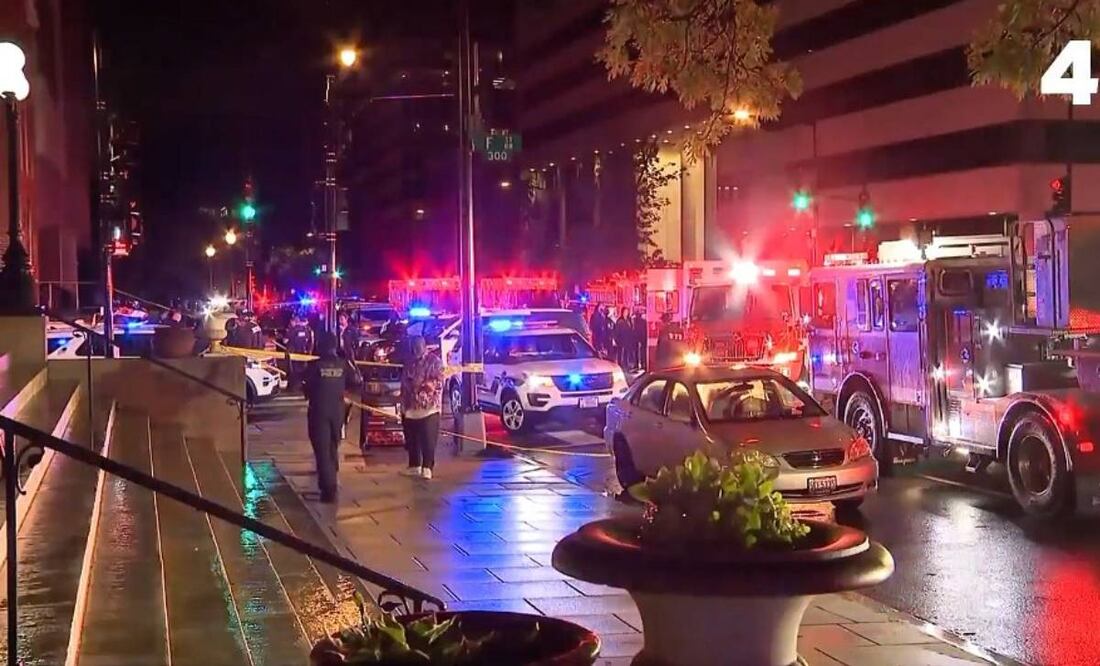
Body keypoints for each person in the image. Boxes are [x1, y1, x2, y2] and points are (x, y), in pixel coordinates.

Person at [303, 332, 361, 503]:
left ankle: (328, 490)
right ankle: (332, 480)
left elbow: (305, 386)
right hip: (337, 411)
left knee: (322, 451)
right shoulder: (343, 364)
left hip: (318, 411)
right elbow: (356, 381)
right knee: (332, 447)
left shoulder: (315, 365)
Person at [399, 335, 444, 480]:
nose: (416, 349)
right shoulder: (410, 362)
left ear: (424, 346)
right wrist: (403, 404)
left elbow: (439, 381)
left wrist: (425, 387)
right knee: (412, 439)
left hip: (428, 408)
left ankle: (427, 467)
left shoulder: (434, 361)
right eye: (414, 346)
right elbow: (405, 383)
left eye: (418, 346)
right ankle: (414, 465)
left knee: (428, 440)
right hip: (411, 407)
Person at [285, 313, 315, 389]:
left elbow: (285, 340)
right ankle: (302, 386)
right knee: (303, 370)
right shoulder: (307, 330)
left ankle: (293, 386)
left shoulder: (293, 330)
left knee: (293, 371)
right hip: (303, 353)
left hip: (293, 354)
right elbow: (310, 342)